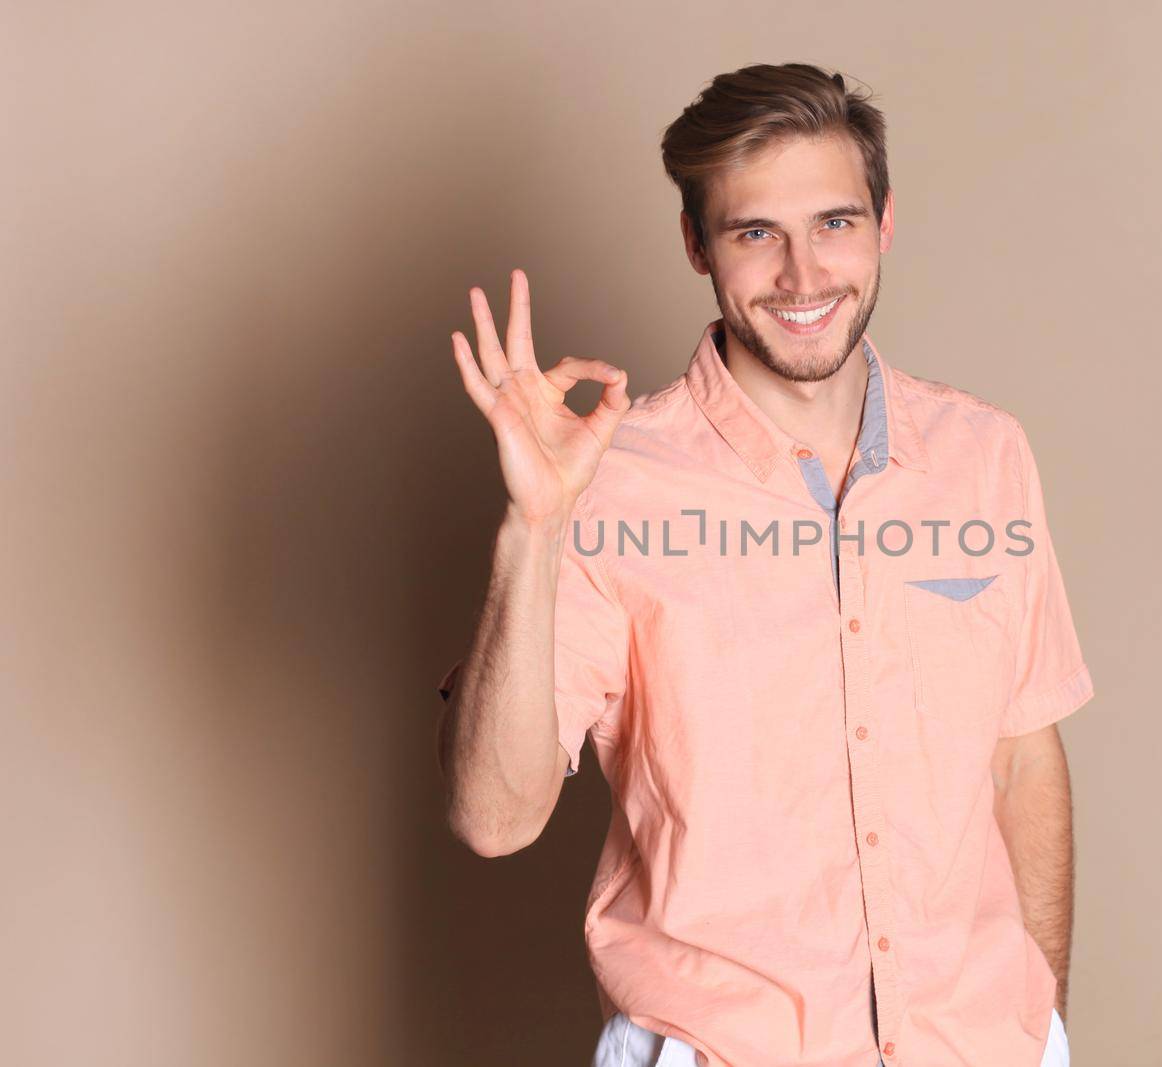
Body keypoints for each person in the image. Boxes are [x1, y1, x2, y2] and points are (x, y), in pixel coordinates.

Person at [436, 62, 1094, 1067]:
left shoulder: (984, 454)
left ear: (883, 222)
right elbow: (493, 816)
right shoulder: (610, 484)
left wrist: (1038, 1016)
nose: (801, 275)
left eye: (833, 223)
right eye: (755, 234)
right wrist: (534, 527)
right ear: (697, 244)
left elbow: (1022, 751)